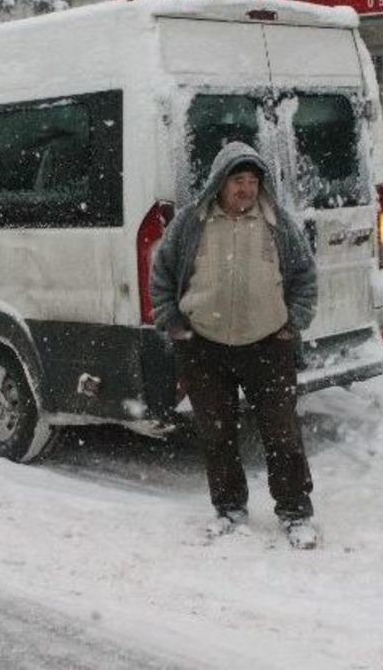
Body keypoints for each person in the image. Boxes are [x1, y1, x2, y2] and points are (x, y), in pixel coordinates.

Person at [151, 141, 319, 549]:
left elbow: (304, 279)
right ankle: (228, 509)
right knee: (217, 433)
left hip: (268, 344)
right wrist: (173, 324)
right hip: (204, 345)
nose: (246, 189)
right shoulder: (192, 222)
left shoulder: (277, 222)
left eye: (253, 181)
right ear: (219, 183)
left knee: (282, 433)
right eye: (238, 180)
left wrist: (292, 323)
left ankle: (295, 512)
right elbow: (162, 274)